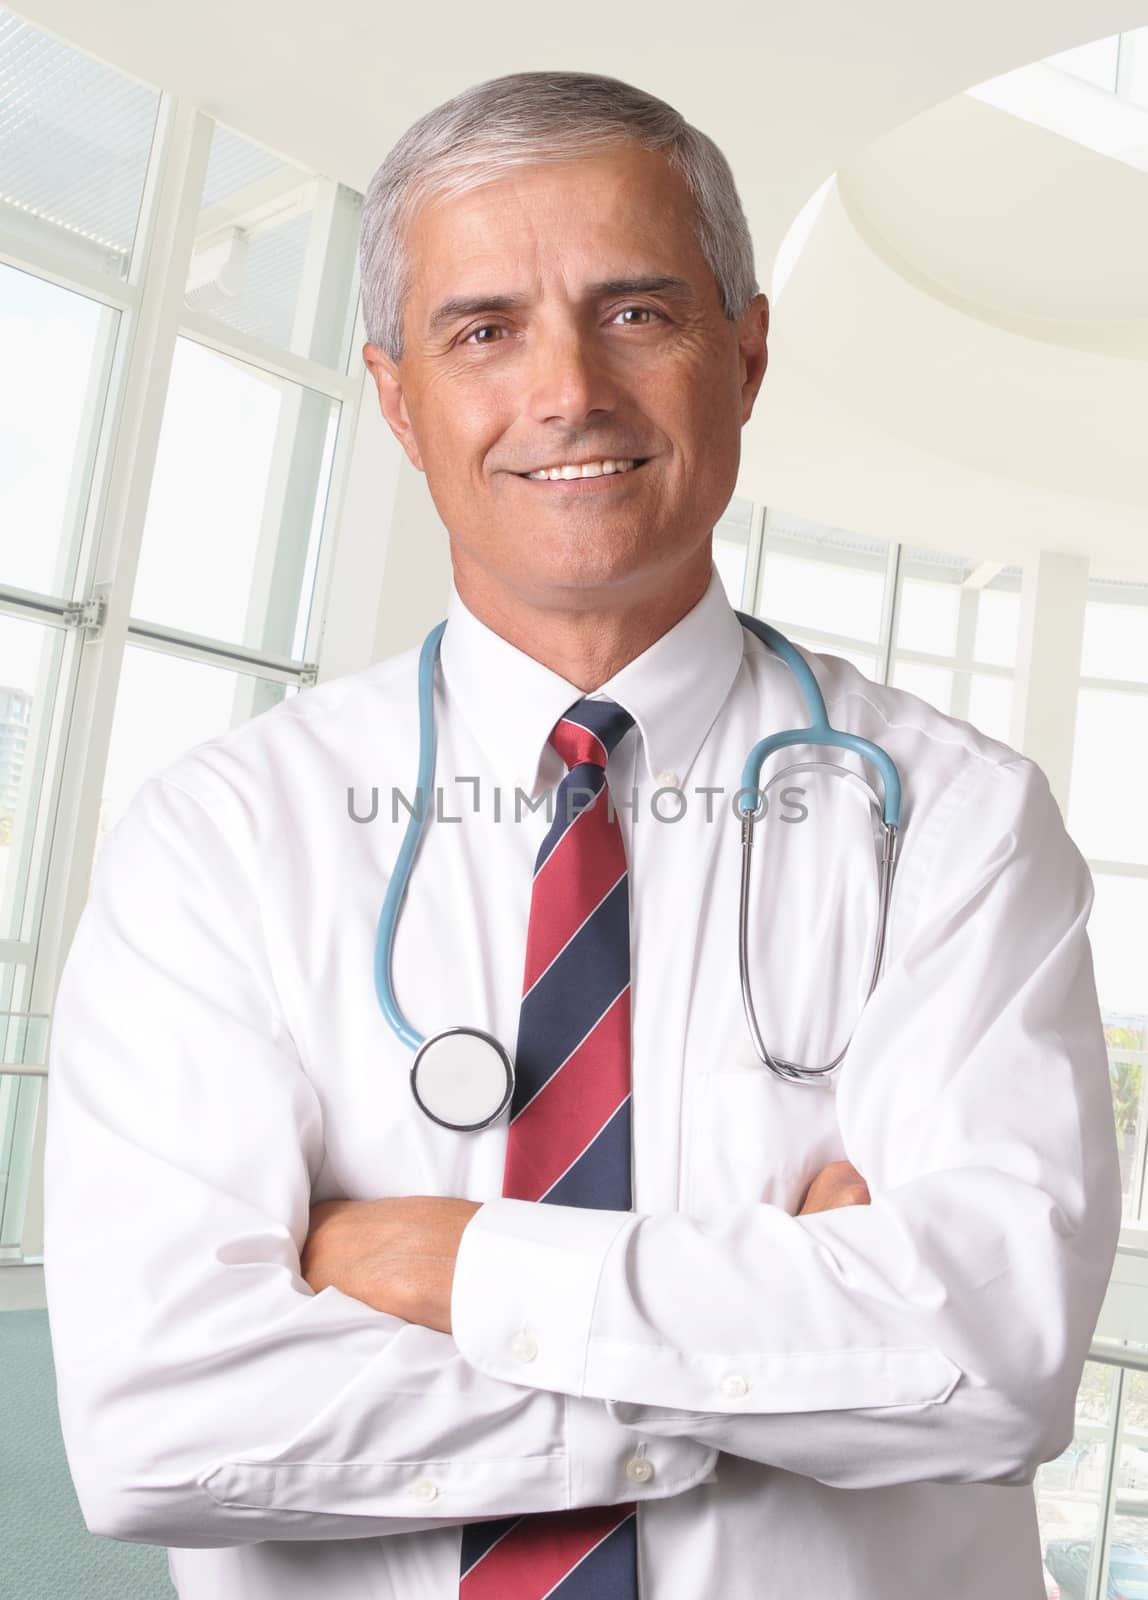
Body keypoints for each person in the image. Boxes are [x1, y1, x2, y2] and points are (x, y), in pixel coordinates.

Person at [43, 69, 1121, 1600]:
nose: (569, 394)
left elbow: (995, 1360)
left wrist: (442, 1265)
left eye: (637, 314)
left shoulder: (953, 820)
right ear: (399, 398)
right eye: (484, 330)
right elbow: (160, 1425)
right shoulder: (219, 841)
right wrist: (781, 1349)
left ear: (745, 355)